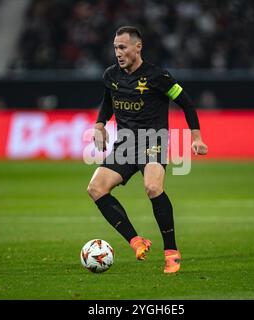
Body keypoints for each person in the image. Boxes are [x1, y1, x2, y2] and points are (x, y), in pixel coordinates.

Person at [87, 26, 208, 274]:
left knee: (153, 187)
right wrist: (99, 124)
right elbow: (107, 101)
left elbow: (186, 103)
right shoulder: (111, 76)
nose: (118, 53)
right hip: (126, 144)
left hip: (153, 140)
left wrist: (196, 138)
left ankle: (171, 252)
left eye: (123, 47)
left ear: (137, 47)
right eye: (115, 48)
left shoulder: (158, 77)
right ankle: (136, 241)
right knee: (95, 188)